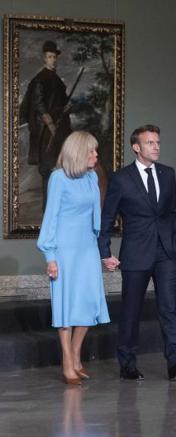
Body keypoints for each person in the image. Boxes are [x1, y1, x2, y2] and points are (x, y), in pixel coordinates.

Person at [98, 124, 176, 381]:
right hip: (136, 253)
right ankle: (127, 364)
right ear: (136, 147)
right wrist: (104, 252)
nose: (156, 147)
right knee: (132, 310)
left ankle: (175, 362)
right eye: (150, 142)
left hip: (167, 253)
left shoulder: (168, 174)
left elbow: (175, 211)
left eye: (158, 142)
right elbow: (107, 217)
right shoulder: (120, 178)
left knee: (169, 307)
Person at [36, 131, 110, 385]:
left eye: (96, 150)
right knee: (66, 306)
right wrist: (50, 256)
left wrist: (102, 254)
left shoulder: (91, 177)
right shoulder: (58, 179)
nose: (96, 155)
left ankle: (77, 353)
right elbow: (51, 218)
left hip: (87, 249)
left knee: (88, 304)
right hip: (65, 251)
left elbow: (95, 219)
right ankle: (67, 361)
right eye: (91, 151)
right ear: (78, 153)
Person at [20, 41, 73, 211]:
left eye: (55, 57)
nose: (53, 60)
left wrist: (66, 107)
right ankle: (48, 209)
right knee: (48, 169)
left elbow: (60, 103)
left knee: (61, 167)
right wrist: (50, 125)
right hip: (47, 132)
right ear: (44, 58)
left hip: (60, 128)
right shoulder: (40, 79)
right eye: (50, 57)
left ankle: (59, 207)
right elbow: (39, 105)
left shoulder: (56, 78)